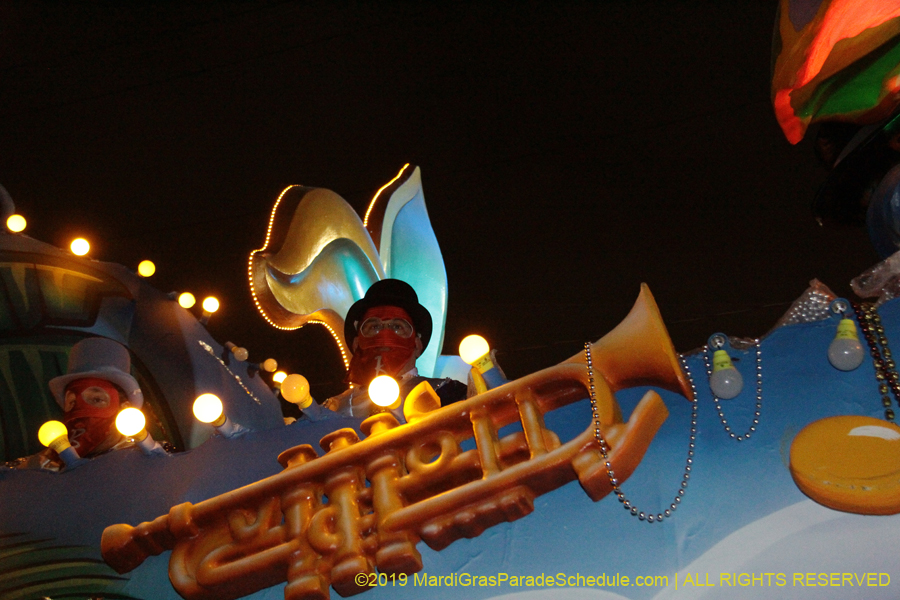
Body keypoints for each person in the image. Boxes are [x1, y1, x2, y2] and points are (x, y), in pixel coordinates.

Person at [322, 279, 466, 419]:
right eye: (374, 327)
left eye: (397, 327)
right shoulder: (331, 410)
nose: (385, 334)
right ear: (356, 343)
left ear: (417, 344)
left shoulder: (449, 395)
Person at [9, 337, 144, 470]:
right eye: (72, 402)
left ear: (125, 409)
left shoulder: (144, 462)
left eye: (96, 400)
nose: (80, 413)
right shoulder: (44, 466)